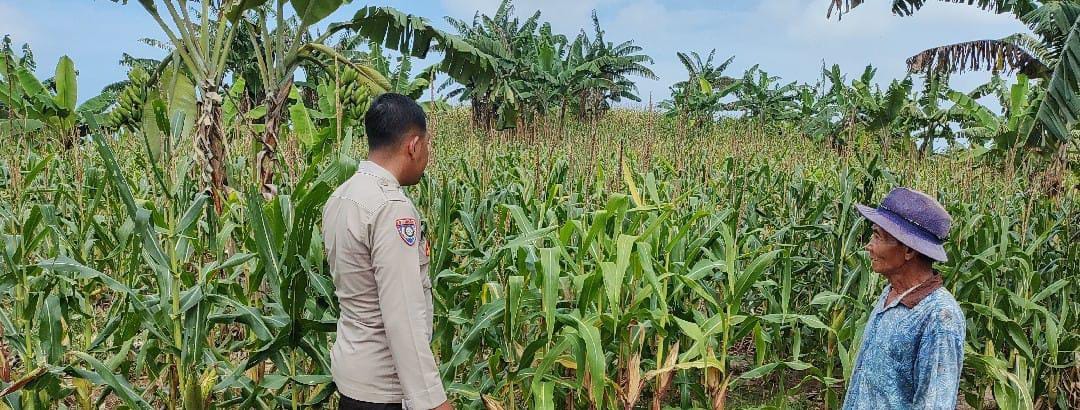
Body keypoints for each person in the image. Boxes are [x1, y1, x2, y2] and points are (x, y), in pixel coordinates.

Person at [322, 93, 451, 410]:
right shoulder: (391, 209)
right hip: (383, 392)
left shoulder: (342, 196)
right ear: (413, 145)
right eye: (427, 145)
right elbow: (402, 316)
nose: (427, 155)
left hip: (353, 380)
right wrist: (433, 402)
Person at [843, 187, 966, 410]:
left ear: (908, 250)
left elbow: (934, 404)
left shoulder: (939, 317)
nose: (868, 246)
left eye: (877, 236)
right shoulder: (891, 293)